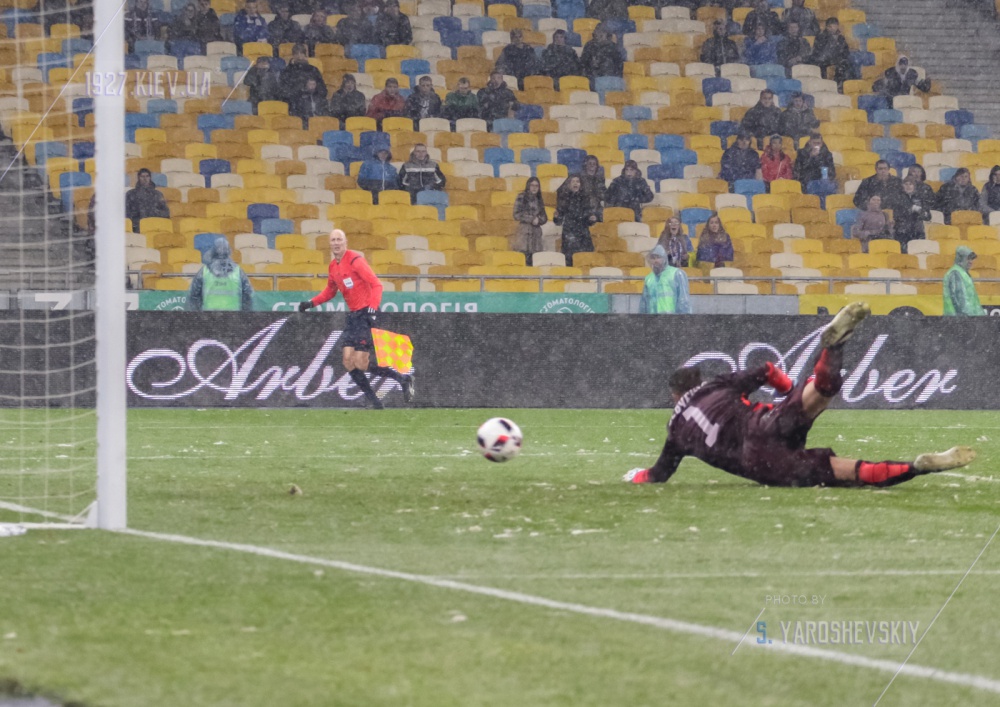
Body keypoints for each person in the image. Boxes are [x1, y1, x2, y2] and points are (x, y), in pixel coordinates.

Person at [624, 302, 976, 487]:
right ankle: (833, 350)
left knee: (849, 472)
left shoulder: (676, 431)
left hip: (759, 463)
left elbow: (658, 475)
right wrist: (788, 393)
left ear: (675, 395)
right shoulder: (717, 385)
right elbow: (767, 369)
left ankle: (916, 467)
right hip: (764, 422)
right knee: (820, 393)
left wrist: (636, 476)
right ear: (697, 382)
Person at [297, 229, 415, 409]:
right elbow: (330, 291)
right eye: (333, 240)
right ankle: (376, 400)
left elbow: (377, 285)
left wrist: (372, 309)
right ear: (329, 244)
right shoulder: (333, 266)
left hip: (366, 314)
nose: (336, 243)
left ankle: (402, 379)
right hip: (353, 316)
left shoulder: (355, 260)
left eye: (339, 240)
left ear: (345, 242)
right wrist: (311, 303)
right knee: (347, 361)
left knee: (360, 362)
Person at [186, 237, 254, 311]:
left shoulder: (204, 271)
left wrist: (198, 313)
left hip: (209, 315)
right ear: (229, 251)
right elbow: (248, 295)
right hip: (233, 315)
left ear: (213, 251)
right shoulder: (238, 271)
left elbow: (194, 296)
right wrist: (244, 313)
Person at [553, 175, 598, 265]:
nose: (575, 183)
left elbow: (589, 218)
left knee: (585, 260)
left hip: (583, 232)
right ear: (569, 184)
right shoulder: (564, 198)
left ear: (580, 184)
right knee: (570, 260)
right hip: (569, 232)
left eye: (577, 181)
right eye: (573, 181)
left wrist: (592, 219)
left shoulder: (585, 198)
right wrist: (556, 217)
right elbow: (559, 221)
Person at [640, 245, 692, 314]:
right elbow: (644, 303)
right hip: (652, 319)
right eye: (653, 258)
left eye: (658, 257)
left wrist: (683, 318)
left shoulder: (676, 274)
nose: (655, 261)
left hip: (671, 318)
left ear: (664, 258)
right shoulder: (649, 278)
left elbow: (683, 300)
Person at [511, 177, 548, 265]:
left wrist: (539, 220)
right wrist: (531, 219)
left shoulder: (539, 199)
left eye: (536, 186)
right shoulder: (521, 197)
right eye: (532, 185)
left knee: (535, 260)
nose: (534, 188)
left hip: (536, 233)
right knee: (523, 258)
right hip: (524, 232)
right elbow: (516, 214)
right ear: (528, 186)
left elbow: (544, 217)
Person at [943, 246, 986, 316]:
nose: (971, 262)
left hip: (967, 319)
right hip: (960, 319)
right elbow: (960, 302)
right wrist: (968, 318)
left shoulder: (962, 273)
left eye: (971, 259)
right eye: (968, 259)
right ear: (960, 259)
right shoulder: (956, 273)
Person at [810, 17, 852, 88]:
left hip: (836, 59)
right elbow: (818, 51)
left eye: (834, 26)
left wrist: (839, 56)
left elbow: (846, 51)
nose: (832, 29)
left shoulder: (841, 38)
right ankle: (823, 84)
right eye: (830, 26)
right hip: (823, 59)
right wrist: (832, 40)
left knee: (845, 63)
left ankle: (838, 84)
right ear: (827, 27)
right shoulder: (821, 37)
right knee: (820, 64)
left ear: (837, 26)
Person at [892, 177, 930, 252]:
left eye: (910, 184)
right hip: (902, 231)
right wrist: (911, 209)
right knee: (904, 253)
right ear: (902, 185)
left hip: (918, 230)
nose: (908, 186)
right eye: (906, 184)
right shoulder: (897, 197)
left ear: (914, 186)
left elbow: (928, 216)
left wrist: (922, 213)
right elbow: (896, 215)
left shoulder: (920, 197)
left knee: (918, 252)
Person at [125, 168, 170, 232]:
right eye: (142, 176)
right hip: (138, 227)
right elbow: (126, 213)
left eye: (147, 176)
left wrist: (154, 212)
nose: (145, 179)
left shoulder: (158, 194)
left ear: (150, 178)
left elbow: (166, 212)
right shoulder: (131, 194)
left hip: (155, 226)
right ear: (138, 178)